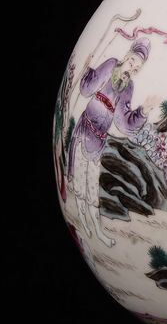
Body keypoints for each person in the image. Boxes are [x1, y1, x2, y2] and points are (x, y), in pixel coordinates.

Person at [66, 37, 159, 247]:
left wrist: (143, 111)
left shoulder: (128, 87)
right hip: (85, 130)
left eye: (137, 68)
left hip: (99, 139)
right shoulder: (110, 66)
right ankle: (84, 222)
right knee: (80, 180)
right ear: (126, 56)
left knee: (92, 184)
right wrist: (87, 70)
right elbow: (86, 90)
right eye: (132, 61)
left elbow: (123, 124)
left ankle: (98, 229)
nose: (132, 68)